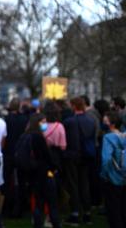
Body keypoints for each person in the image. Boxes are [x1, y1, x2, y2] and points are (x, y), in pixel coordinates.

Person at [63, 97, 96, 226]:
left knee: (73, 184)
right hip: (86, 155)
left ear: (73, 106)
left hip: (72, 156)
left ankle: (75, 213)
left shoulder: (69, 121)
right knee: (84, 183)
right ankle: (87, 213)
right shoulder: (91, 121)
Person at [27, 113, 61, 228]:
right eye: (43, 122)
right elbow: (47, 156)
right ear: (38, 123)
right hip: (45, 173)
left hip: (34, 174)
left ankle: (37, 224)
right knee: (52, 203)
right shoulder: (38, 137)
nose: (45, 124)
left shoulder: (27, 135)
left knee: (38, 203)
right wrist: (54, 168)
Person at [3, 98, 29, 217]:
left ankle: (7, 207)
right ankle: (21, 208)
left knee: (8, 181)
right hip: (21, 152)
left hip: (8, 153)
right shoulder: (24, 119)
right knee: (22, 181)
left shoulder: (6, 120)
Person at [100, 111, 126, 228]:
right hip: (124, 176)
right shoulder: (124, 136)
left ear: (112, 124)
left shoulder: (108, 137)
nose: (103, 123)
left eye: (105, 121)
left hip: (112, 177)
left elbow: (106, 159)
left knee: (113, 210)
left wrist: (104, 175)